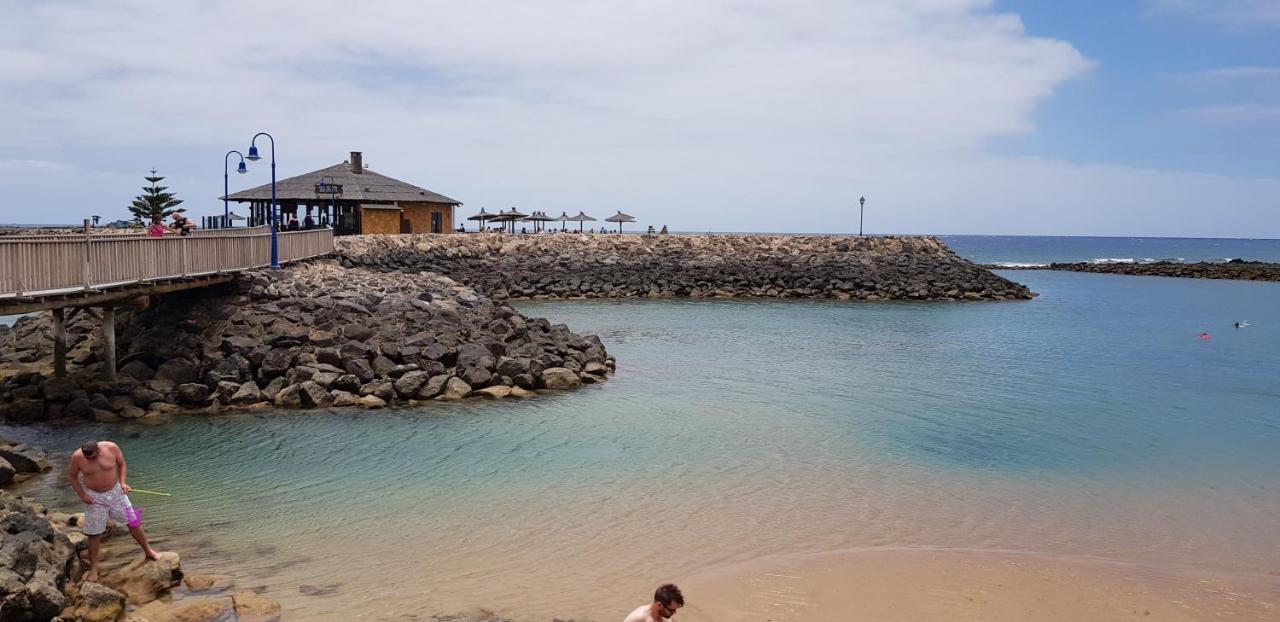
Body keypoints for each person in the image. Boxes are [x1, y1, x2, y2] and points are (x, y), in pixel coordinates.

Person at [68, 440, 161, 582]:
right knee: (94, 533)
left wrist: (123, 482)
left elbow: (122, 464)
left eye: (93, 457)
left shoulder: (111, 448)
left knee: (133, 522)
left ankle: (149, 551)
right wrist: (83, 495)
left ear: (98, 450)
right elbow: (72, 477)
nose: (90, 460)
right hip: (94, 497)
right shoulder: (77, 457)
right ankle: (94, 569)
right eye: (88, 458)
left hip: (116, 492)